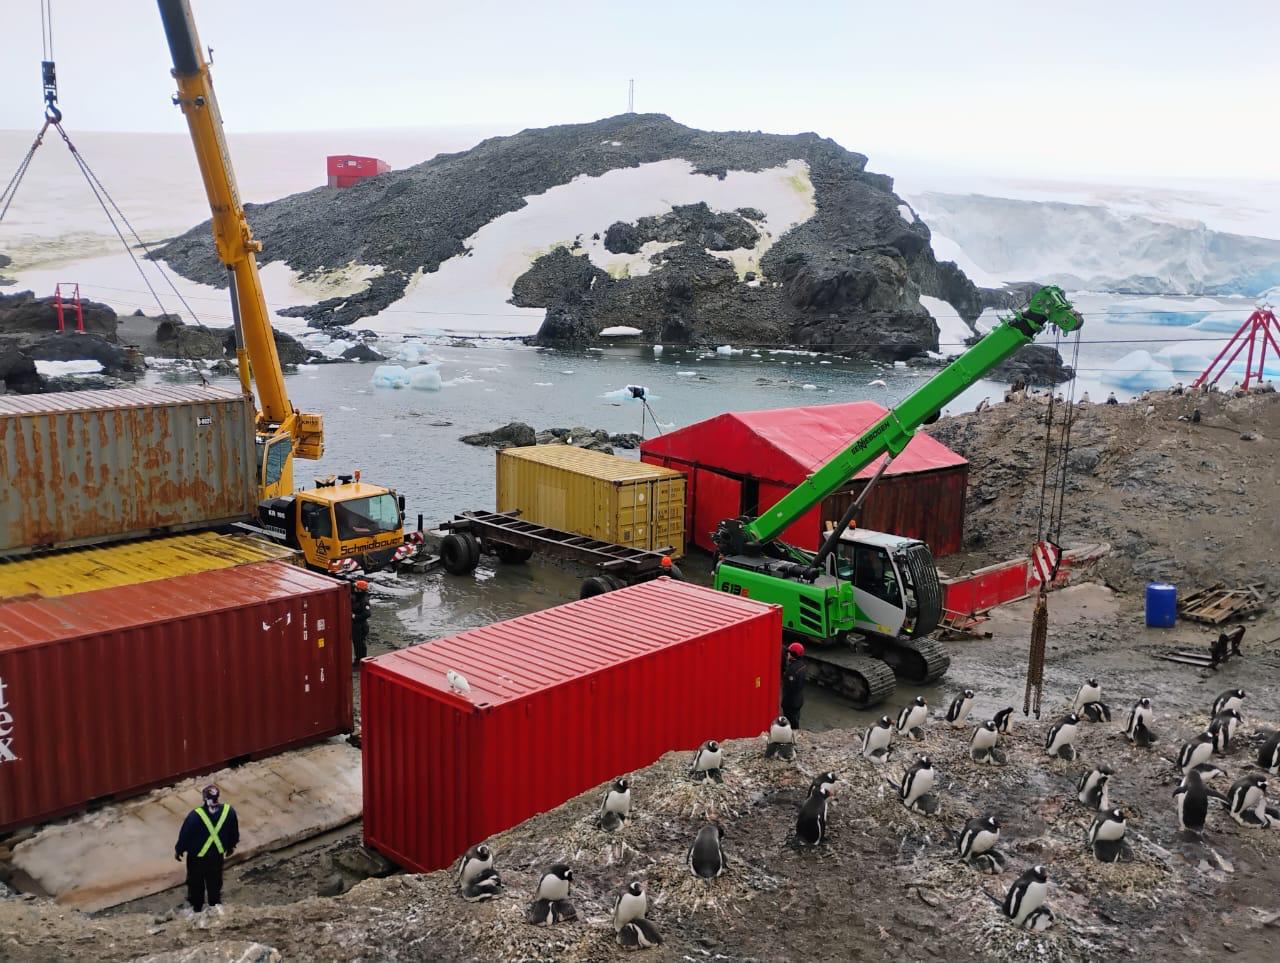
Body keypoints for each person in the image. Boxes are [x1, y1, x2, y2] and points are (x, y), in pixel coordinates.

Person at [175, 785, 239, 916]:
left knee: (196, 883)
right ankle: (214, 906)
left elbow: (185, 835)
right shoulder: (228, 811)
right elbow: (234, 832)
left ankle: (196, 908)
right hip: (216, 855)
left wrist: (179, 850)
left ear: (204, 798)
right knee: (214, 881)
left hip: (197, 857)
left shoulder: (195, 816)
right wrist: (231, 846)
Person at [781, 642, 807, 730]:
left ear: (792, 655)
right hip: (798, 700)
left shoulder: (791, 670)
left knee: (790, 724)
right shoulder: (802, 665)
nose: (787, 654)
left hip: (790, 703)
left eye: (788, 652)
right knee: (796, 719)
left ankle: (791, 739)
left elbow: (789, 688)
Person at [351, 579, 371, 664]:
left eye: (356, 588)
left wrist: (355, 617)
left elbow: (367, 613)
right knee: (357, 643)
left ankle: (360, 661)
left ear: (360, 590)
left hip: (361, 626)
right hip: (357, 626)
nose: (354, 590)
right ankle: (359, 660)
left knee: (360, 645)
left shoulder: (364, 601)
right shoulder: (358, 597)